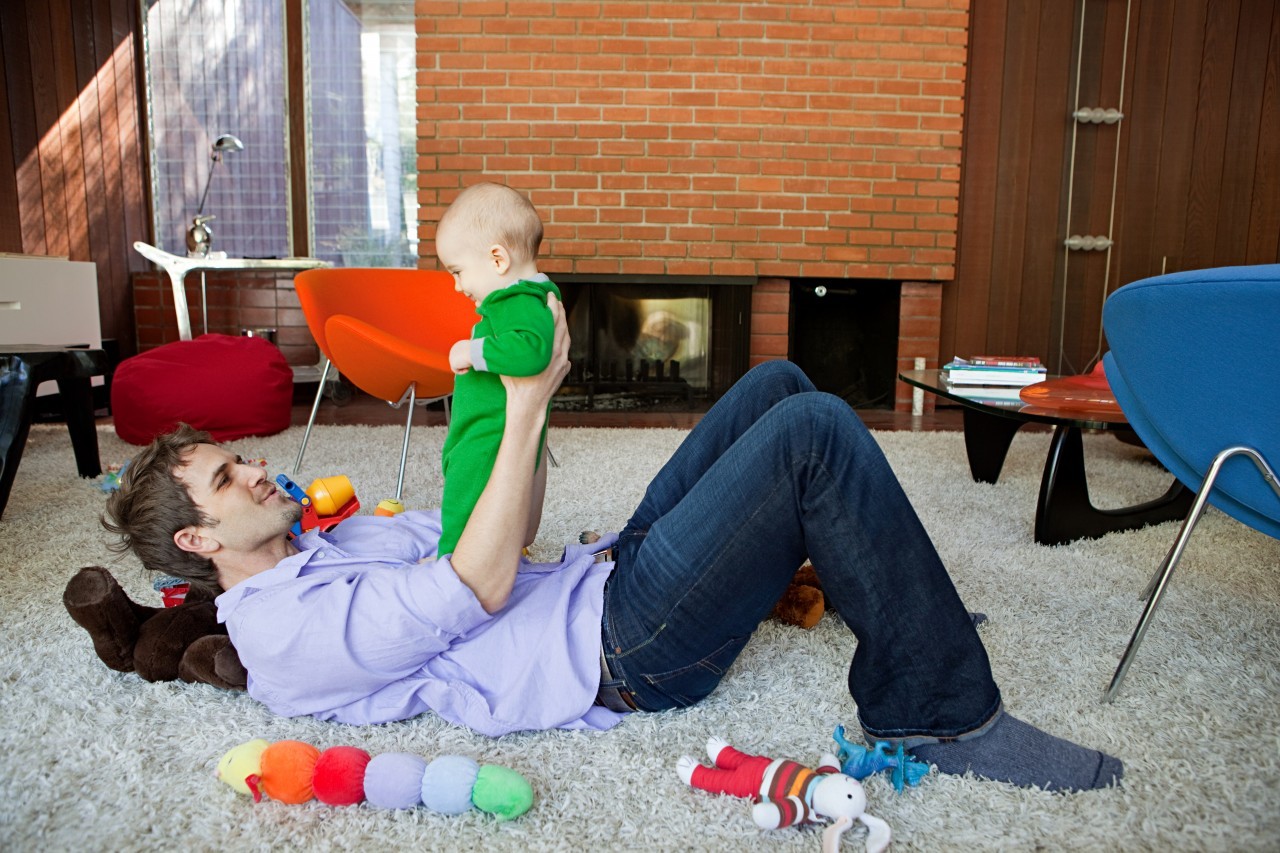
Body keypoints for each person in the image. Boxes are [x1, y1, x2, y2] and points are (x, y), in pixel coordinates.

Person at [101, 297, 1122, 793]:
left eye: (239, 457)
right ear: (197, 539)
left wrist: (522, 416)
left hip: (600, 577)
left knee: (776, 386)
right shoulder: (287, 632)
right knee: (811, 439)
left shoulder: (334, 535)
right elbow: (480, 575)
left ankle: (886, 597)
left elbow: (514, 523)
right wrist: (525, 397)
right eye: (228, 480)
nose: (256, 470)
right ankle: (939, 710)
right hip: (625, 652)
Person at [436, 182, 561, 557]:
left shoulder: (516, 298)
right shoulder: (523, 299)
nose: (457, 286)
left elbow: (530, 352)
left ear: (497, 260)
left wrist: (471, 351)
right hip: (486, 426)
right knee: (465, 487)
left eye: (458, 271)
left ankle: (451, 562)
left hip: (490, 432)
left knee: (464, 495)